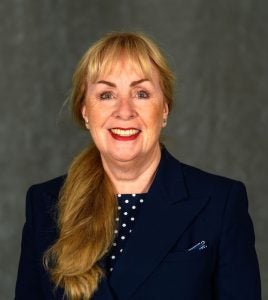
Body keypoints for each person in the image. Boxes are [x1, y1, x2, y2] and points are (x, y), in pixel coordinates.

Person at [15, 32, 261, 300]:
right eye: (107, 94)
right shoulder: (45, 204)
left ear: (164, 109)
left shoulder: (221, 202)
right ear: (85, 111)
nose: (124, 111)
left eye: (141, 93)